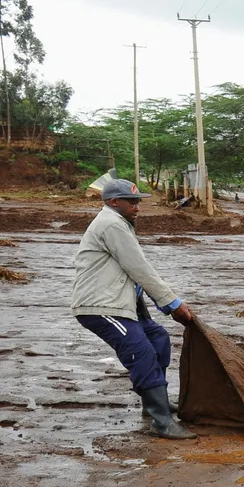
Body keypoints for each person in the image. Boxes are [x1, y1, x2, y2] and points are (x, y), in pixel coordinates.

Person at [71, 179, 197, 440]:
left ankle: (154, 405)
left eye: (138, 201)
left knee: (158, 339)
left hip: (122, 302)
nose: (138, 207)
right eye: (132, 202)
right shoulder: (112, 224)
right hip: (102, 305)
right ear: (114, 202)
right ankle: (162, 421)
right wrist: (172, 303)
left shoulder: (119, 223)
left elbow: (135, 271)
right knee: (141, 352)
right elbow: (139, 268)